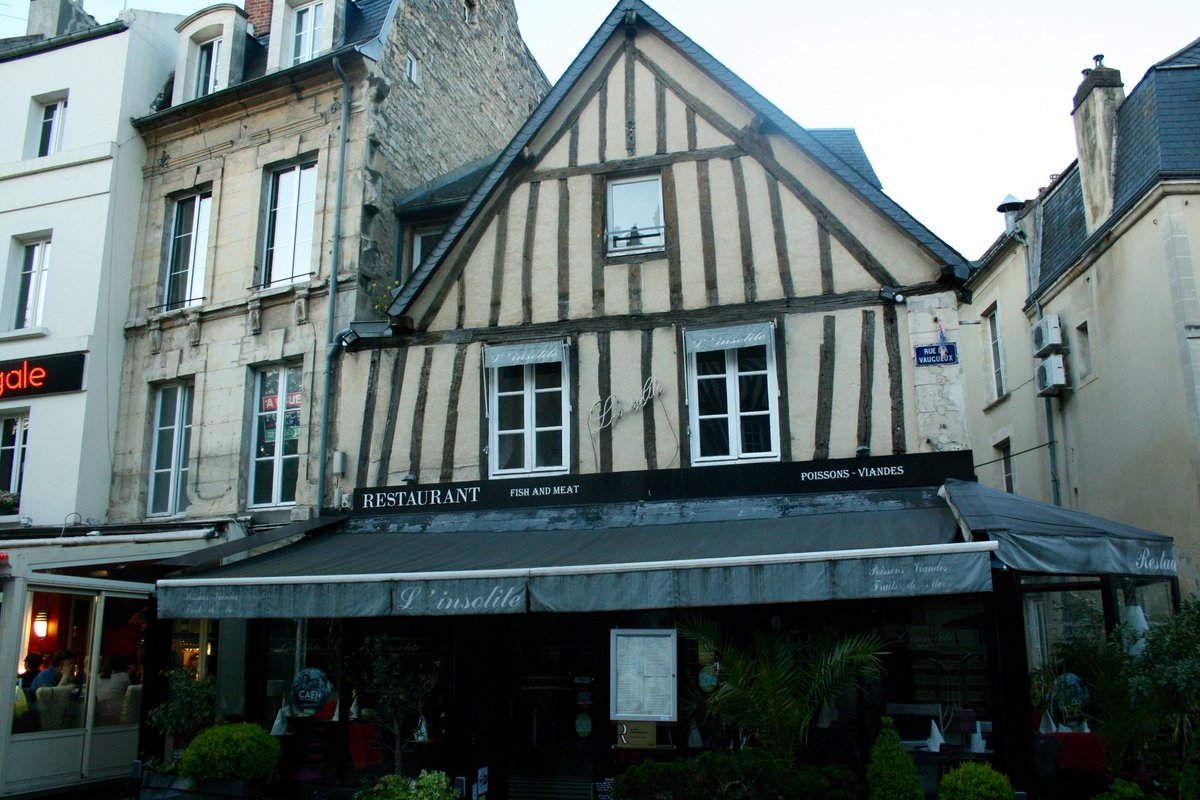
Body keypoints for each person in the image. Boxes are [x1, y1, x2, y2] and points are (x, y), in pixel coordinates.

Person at [93, 654, 131, 725]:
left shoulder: (98, 677)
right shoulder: (124, 677)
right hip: (118, 715)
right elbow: (129, 695)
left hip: (99, 715)